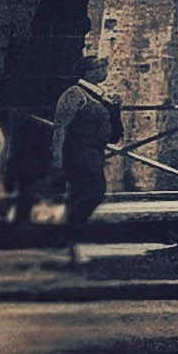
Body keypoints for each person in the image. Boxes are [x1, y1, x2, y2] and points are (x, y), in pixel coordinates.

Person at [47, 54, 119, 243]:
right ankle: (65, 229)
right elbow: (61, 127)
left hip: (94, 152)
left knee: (83, 193)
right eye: (98, 68)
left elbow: (114, 131)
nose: (103, 71)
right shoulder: (74, 94)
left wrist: (115, 108)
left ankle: (65, 232)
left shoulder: (101, 95)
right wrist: (57, 157)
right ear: (87, 73)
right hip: (78, 152)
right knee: (93, 191)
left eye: (103, 67)